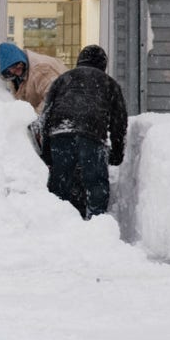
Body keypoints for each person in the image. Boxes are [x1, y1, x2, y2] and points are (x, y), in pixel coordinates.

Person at [39, 44, 128, 220]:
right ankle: (96, 223)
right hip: (92, 135)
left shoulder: (63, 79)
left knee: (59, 183)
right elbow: (119, 122)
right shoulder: (109, 83)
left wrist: (47, 152)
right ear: (103, 64)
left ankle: (54, 222)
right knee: (95, 183)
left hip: (60, 132)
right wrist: (117, 153)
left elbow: (46, 114)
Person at [0, 42, 66, 113]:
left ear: (21, 59)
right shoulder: (17, 75)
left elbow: (53, 97)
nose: (16, 71)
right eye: (11, 70)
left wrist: (33, 118)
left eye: (17, 66)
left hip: (65, 111)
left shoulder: (41, 69)